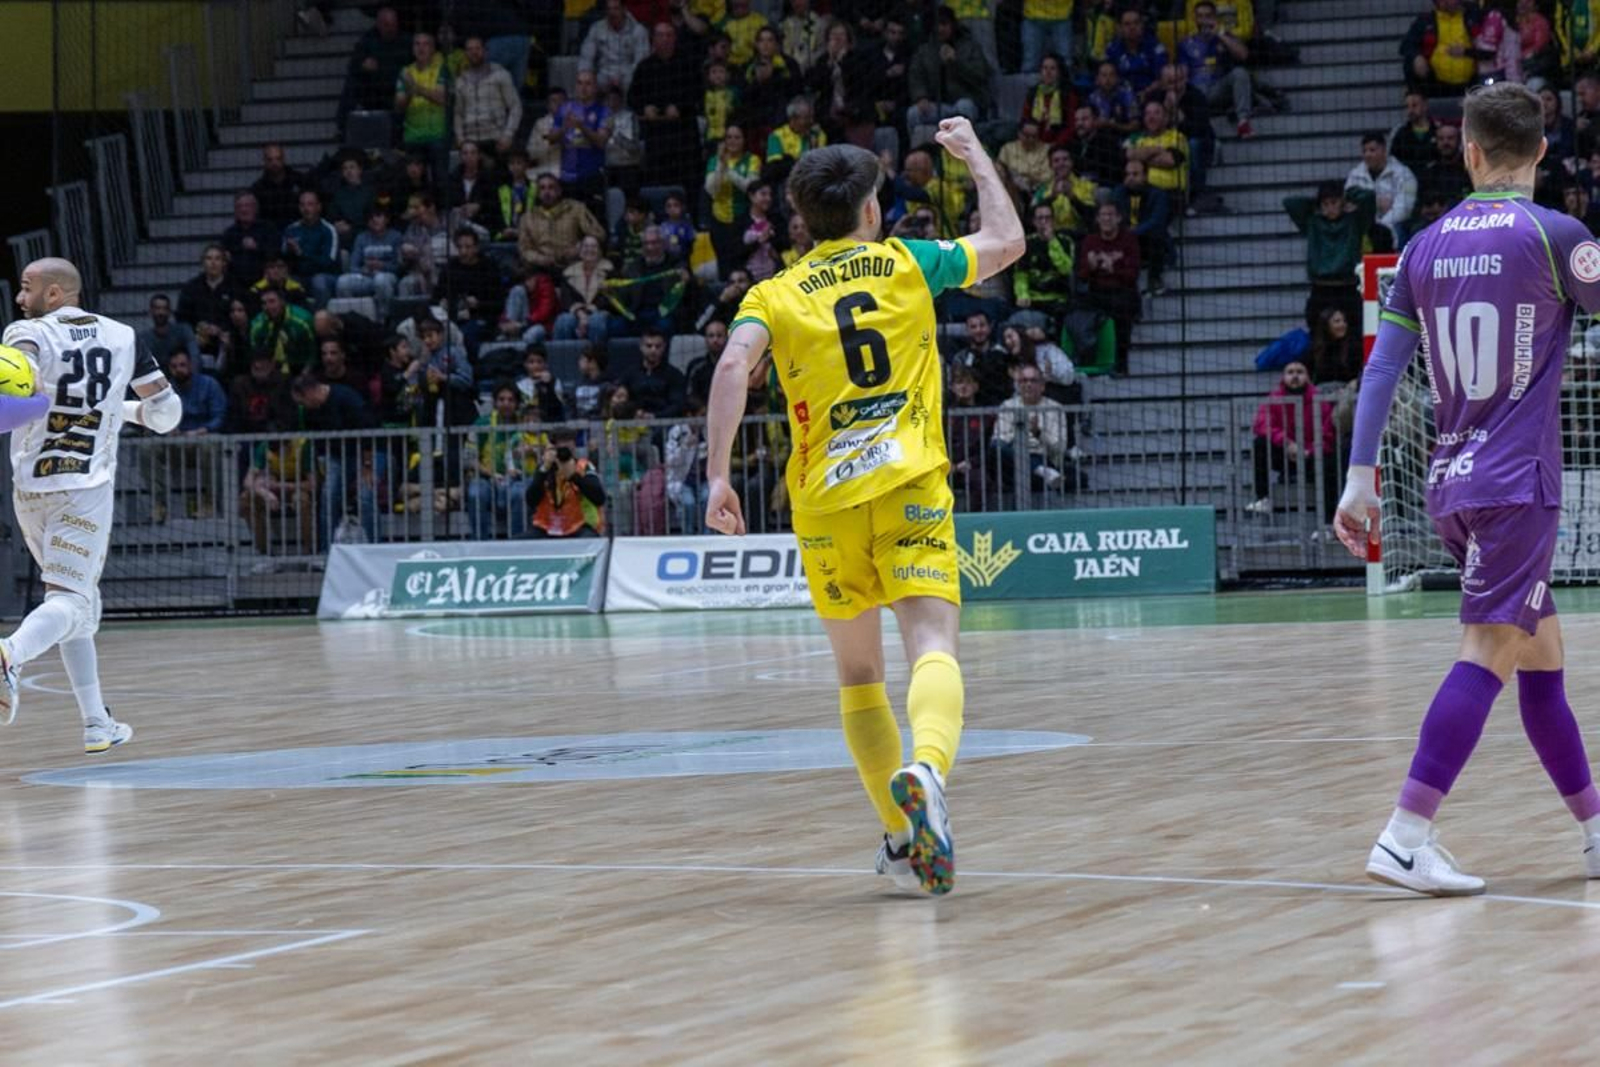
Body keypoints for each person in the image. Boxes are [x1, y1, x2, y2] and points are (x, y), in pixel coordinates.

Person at [703, 119, 1025, 896]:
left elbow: (731, 366)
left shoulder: (773, 295)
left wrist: (717, 476)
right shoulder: (907, 263)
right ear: (872, 211)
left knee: (857, 676)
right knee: (933, 644)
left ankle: (899, 829)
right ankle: (929, 770)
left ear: (801, 219)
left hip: (824, 505)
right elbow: (1007, 241)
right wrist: (977, 156)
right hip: (908, 483)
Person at [1334, 82, 1600, 896]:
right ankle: (1406, 833)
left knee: (1541, 656)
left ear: (1469, 152)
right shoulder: (1560, 236)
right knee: (1488, 649)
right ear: (1544, 152)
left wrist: (1359, 476)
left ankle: (1595, 833)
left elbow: (1383, 365)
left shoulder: (1422, 246)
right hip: (1519, 483)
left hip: (1451, 481)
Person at [0, 258, 179, 750]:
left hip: (30, 491)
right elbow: (168, 415)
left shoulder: (25, 333)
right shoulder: (123, 337)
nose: (20, 298)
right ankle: (9, 653)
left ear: (54, 294)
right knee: (72, 602)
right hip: (83, 488)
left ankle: (96, 721)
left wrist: (101, 407)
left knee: (78, 602)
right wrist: (133, 410)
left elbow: (22, 387)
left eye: (26, 287)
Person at [1246, 359, 1338, 518]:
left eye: (1300, 372)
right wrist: (1287, 443)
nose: (1295, 376)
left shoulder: (1319, 400)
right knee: (1260, 443)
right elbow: (1261, 425)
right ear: (1283, 377)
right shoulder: (1274, 398)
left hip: (1311, 457)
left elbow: (1328, 435)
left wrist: (1308, 451)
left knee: (1330, 459)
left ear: (1308, 377)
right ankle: (1263, 498)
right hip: (1284, 455)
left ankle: (1329, 522)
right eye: (1290, 372)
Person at [525, 430, 607, 537]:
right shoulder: (545, 468)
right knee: (519, 543)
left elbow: (599, 498)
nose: (566, 445)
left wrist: (574, 477)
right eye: (561, 442)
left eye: (569, 441)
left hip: (579, 525)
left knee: (588, 539)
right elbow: (531, 501)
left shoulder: (584, 466)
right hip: (546, 526)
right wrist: (544, 469)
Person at [137, 294, 200, 370]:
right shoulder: (144, 338)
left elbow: (195, 356)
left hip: (181, 376)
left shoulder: (183, 331)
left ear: (170, 312)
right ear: (150, 312)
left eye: (165, 308)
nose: (161, 312)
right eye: (157, 308)